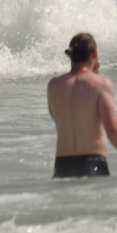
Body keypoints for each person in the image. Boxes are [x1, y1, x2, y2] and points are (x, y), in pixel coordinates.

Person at [47, 32, 117, 178]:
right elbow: (111, 128)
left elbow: (59, 118)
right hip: (92, 164)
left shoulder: (54, 85)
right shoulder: (100, 84)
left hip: (61, 166)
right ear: (94, 53)